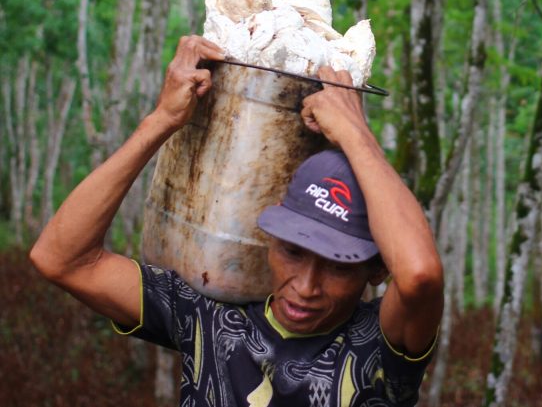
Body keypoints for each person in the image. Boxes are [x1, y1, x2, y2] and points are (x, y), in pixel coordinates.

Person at [30, 35, 444, 406]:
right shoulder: (209, 316)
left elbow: (420, 274)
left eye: (338, 265)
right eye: (293, 252)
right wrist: (163, 120)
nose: (305, 287)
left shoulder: (378, 348)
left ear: (375, 270)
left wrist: (357, 133)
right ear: (270, 239)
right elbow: (62, 259)